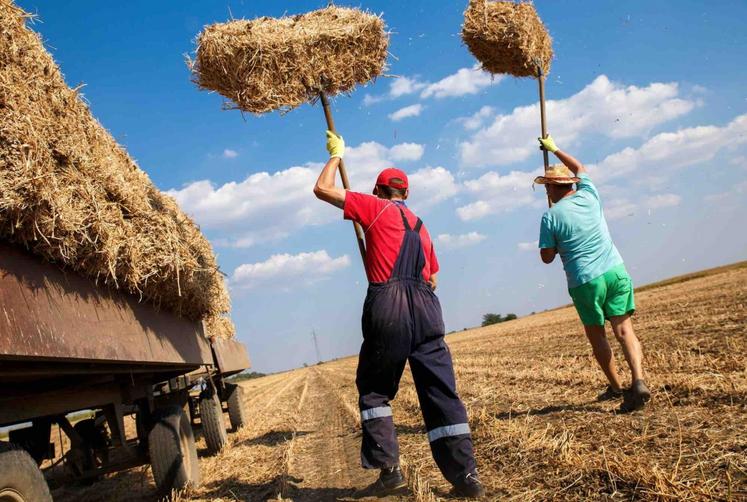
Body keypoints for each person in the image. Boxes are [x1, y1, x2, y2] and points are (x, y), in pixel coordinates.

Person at [313, 131, 484, 498]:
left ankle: (389, 473)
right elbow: (433, 278)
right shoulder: (422, 226)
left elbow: (323, 189)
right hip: (426, 309)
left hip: (388, 306)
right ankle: (465, 477)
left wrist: (337, 157)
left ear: (377, 191)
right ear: (406, 194)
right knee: (441, 393)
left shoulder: (373, 209)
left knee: (375, 390)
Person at [536, 135, 651, 413]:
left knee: (597, 336)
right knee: (624, 330)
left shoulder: (550, 217)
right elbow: (581, 168)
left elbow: (547, 257)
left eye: (547, 186)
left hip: (585, 281)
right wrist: (555, 149)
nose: (547, 191)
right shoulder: (589, 193)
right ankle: (638, 379)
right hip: (615, 270)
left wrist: (555, 239)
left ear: (552, 187)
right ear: (570, 185)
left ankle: (615, 387)